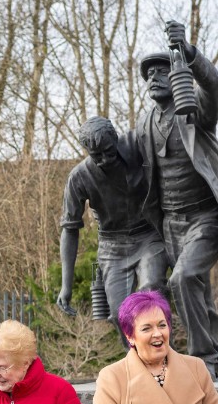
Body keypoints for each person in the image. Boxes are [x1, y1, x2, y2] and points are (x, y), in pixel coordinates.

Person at [136, 21, 218, 378]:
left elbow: (214, 84)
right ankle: (210, 358)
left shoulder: (196, 115)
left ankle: (203, 359)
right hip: (170, 223)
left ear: (175, 77)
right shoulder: (144, 123)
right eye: (149, 75)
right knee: (194, 289)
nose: (155, 78)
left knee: (183, 279)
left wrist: (189, 53)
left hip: (205, 218)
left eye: (162, 72)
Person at [57, 116, 168, 336]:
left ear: (116, 140)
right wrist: (66, 285)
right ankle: (138, 363)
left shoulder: (138, 150)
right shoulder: (79, 177)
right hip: (112, 247)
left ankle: (163, 357)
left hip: (148, 237)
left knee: (151, 290)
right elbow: (69, 229)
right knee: (120, 314)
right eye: (97, 155)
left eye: (109, 151)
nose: (105, 159)